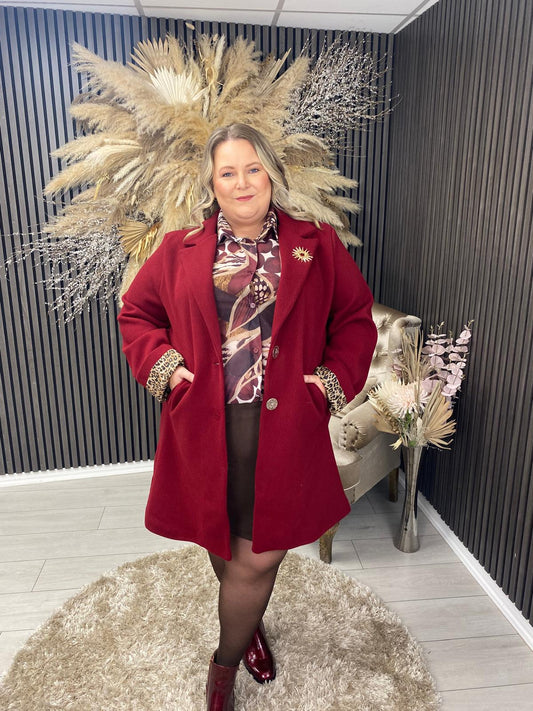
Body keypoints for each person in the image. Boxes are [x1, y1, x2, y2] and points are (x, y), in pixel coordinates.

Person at [118, 123, 377, 710]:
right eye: (228, 172)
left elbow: (356, 319)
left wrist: (327, 383)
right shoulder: (179, 248)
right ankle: (249, 623)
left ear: (271, 174)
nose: (242, 183)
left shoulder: (316, 243)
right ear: (212, 183)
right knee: (222, 538)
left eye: (253, 168)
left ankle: (223, 668)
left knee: (259, 556)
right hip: (205, 427)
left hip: (285, 428)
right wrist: (166, 368)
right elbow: (136, 314)